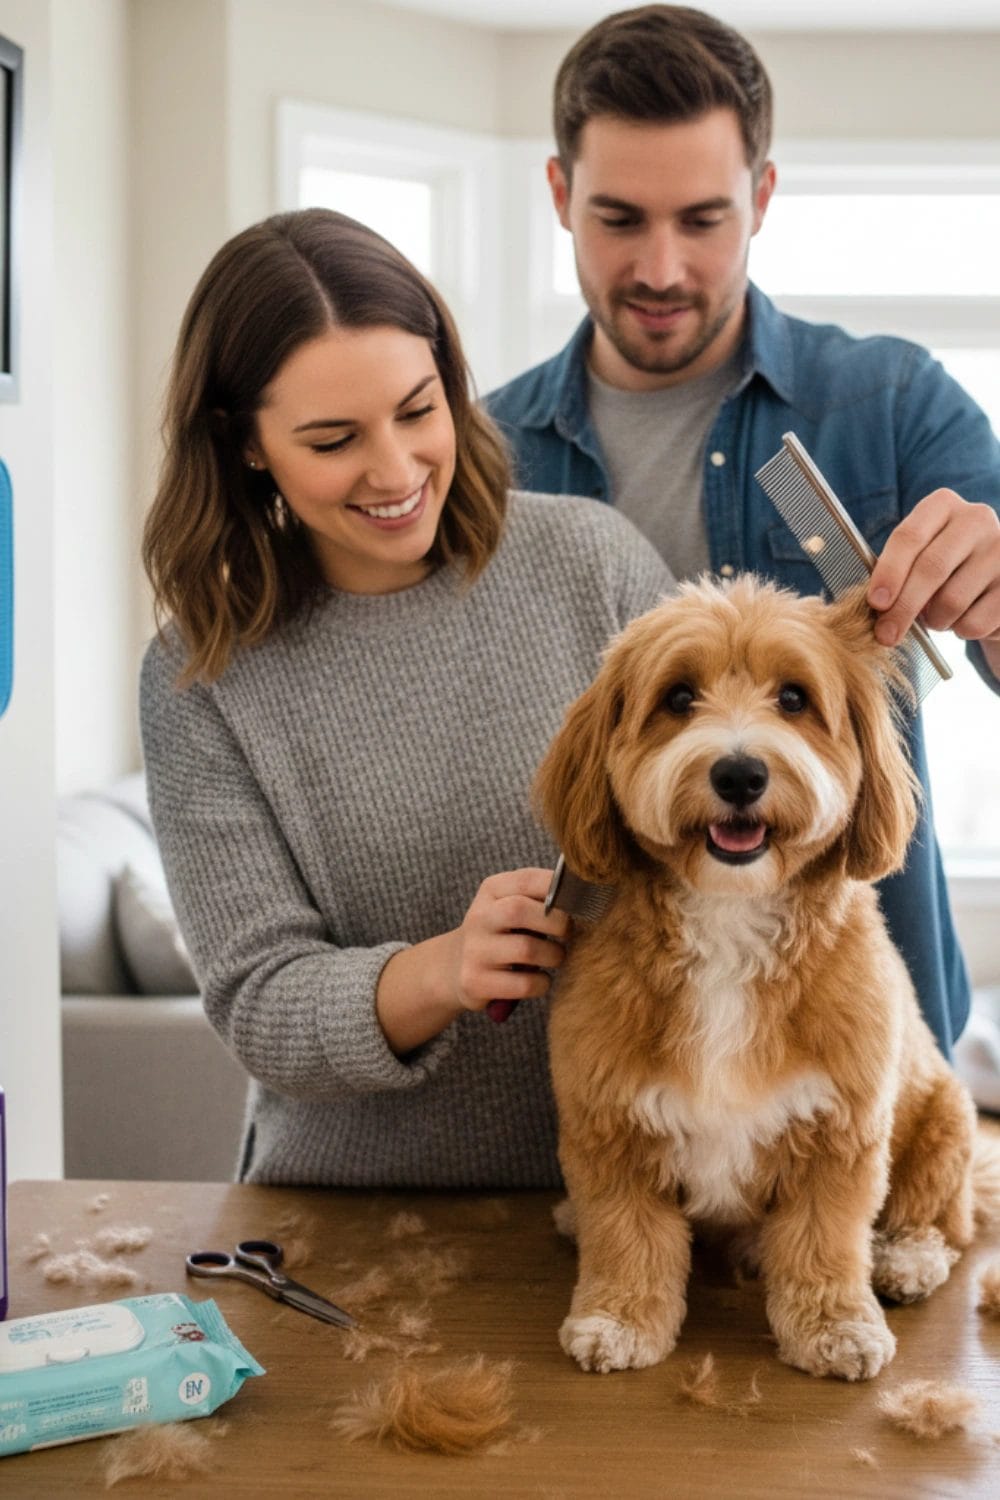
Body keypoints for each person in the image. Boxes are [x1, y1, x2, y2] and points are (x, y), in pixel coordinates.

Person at [486, 3, 1000, 1065]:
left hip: (858, 1060)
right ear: (557, 193)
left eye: (703, 219)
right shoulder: (480, 461)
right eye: (619, 218)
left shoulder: (894, 403)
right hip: (600, 1068)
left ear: (761, 197)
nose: (662, 269)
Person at [139, 208, 674, 1188]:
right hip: (349, 1217)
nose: (395, 472)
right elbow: (261, 1004)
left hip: (638, 1197)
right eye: (334, 439)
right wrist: (442, 971)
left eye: (419, 410)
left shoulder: (589, 564)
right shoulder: (204, 677)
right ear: (245, 442)